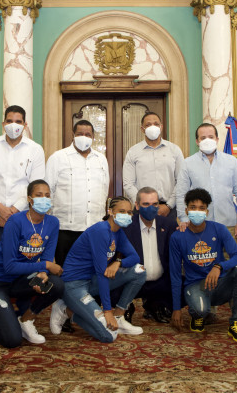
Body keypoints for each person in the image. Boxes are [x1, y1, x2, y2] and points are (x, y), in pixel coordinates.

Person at [0, 180, 65, 347]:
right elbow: (10, 266)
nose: (44, 199)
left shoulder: (52, 223)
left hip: (20, 280)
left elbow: (47, 257)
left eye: (47, 195)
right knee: (12, 340)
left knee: (56, 285)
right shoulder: (16, 221)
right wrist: (45, 266)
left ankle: (26, 320)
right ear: (29, 199)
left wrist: (43, 273)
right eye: (39, 195)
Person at [50, 196, 146, 343]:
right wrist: (107, 312)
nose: (126, 215)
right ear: (110, 211)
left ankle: (119, 316)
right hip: (74, 285)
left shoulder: (118, 232)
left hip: (91, 280)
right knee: (108, 335)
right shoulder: (101, 231)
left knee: (139, 270)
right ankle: (65, 310)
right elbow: (102, 274)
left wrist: (118, 262)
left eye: (129, 212)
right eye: (121, 211)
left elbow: (135, 257)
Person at [169, 188, 237, 343]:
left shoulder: (218, 228)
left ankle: (235, 323)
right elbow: (175, 274)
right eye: (193, 208)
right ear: (186, 211)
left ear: (207, 212)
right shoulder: (177, 236)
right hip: (195, 285)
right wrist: (176, 309)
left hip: (220, 283)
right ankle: (197, 317)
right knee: (200, 310)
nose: (197, 212)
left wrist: (219, 267)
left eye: (201, 208)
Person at [0, 105, 45, 256]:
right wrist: (1, 209)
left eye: (18, 121)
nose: (13, 125)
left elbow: (35, 186)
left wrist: (12, 212)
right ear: (3, 124)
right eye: (9, 121)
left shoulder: (35, 149)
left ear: (25, 125)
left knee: (23, 260)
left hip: (24, 216)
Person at [45, 119, 109, 266]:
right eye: (80, 134)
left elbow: (104, 190)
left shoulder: (101, 159)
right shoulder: (58, 157)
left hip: (94, 227)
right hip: (66, 229)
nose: (84, 137)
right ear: (73, 135)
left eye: (88, 134)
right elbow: (48, 191)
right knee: (65, 270)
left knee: (93, 270)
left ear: (93, 137)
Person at [120, 187, 176, 323]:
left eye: (154, 204)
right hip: (132, 280)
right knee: (112, 287)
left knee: (184, 286)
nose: (151, 208)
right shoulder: (126, 226)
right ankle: (126, 305)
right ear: (137, 205)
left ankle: (155, 304)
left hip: (159, 281)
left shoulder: (169, 225)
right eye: (146, 204)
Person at [122, 111, 184, 223]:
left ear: (161, 127)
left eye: (156, 124)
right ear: (142, 129)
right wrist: (143, 204)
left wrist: (169, 205)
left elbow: (181, 181)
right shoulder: (133, 152)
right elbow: (128, 183)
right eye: (148, 124)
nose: (153, 127)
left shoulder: (174, 150)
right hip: (142, 209)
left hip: (168, 210)